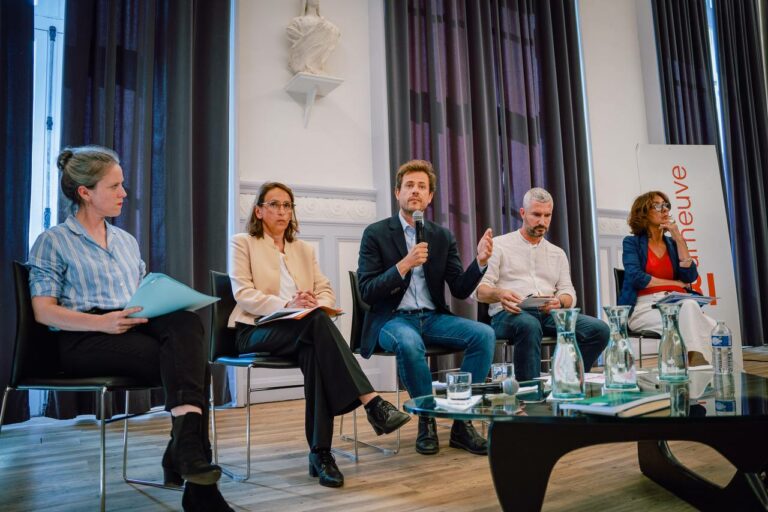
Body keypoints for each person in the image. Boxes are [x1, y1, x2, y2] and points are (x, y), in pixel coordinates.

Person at [27, 146, 231, 512]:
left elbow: (139, 293)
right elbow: (43, 312)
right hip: (82, 339)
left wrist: (158, 301)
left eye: (123, 185)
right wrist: (101, 323)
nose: (125, 193)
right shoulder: (53, 241)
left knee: (185, 322)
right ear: (85, 192)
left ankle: (187, 459)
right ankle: (192, 473)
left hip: (131, 328)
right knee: (191, 364)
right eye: (115, 186)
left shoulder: (125, 241)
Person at [229, 182, 410, 489]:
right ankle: (372, 402)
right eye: (274, 205)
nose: (283, 211)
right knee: (315, 325)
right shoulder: (243, 242)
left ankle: (321, 454)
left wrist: (318, 303)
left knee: (316, 349)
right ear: (259, 211)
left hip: (303, 330)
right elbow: (243, 293)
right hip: (257, 331)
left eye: (288, 205)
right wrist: (288, 304)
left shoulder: (303, 249)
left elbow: (325, 289)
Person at [357, 159, 496, 456]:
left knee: (483, 334)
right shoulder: (376, 233)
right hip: (391, 321)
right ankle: (427, 420)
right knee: (409, 342)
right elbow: (366, 291)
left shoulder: (442, 236)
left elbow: (459, 287)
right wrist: (404, 265)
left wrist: (480, 262)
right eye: (409, 186)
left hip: (432, 318)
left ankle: (461, 422)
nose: (415, 191)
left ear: (430, 196)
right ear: (397, 192)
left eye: (422, 187)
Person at [475, 187, 609, 381]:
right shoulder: (499, 245)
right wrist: (500, 294)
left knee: (600, 330)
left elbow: (568, 291)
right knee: (529, 325)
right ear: (522, 213)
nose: (542, 222)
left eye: (547, 215)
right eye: (536, 214)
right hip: (509, 314)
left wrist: (560, 302)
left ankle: (565, 377)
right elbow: (480, 290)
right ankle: (530, 393)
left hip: (548, 313)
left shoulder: (557, 253)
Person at [618, 191, 715, 365]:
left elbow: (690, 276)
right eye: (657, 206)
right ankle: (695, 366)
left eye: (666, 205)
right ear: (644, 212)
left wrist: (678, 237)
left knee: (716, 328)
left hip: (677, 304)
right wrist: (675, 283)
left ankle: (692, 365)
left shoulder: (671, 244)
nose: (664, 210)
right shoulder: (631, 243)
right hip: (645, 308)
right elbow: (636, 277)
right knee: (700, 322)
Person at [286, 0, 341, 75]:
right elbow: (291, 31)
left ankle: (315, 66)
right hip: (301, 62)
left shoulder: (328, 26)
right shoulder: (297, 22)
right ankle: (307, 65)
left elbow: (336, 32)